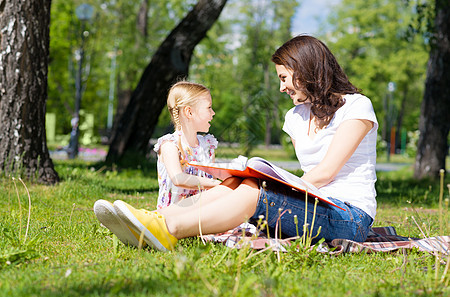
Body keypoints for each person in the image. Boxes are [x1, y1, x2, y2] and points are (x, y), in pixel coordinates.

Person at [106, 35, 378, 252]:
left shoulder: (356, 107)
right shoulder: (295, 117)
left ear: (306, 71)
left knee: (253, 191)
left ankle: (169, 230)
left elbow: (326, 173)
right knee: (239, 182)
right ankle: (155, 219)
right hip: (312, 204)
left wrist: (277, 185)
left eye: (284, 77)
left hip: (348, 216)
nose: (282, 87)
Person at [94, 81, 221, 247]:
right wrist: (213, 183)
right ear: (189, 112)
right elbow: (178, 178)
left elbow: (213, 174)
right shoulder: (170, 144)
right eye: (208, 108)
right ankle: (138, 223)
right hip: (174, 212)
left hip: (203, 210)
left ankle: (133, 226)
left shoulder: (207, 145)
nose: (213, 113)